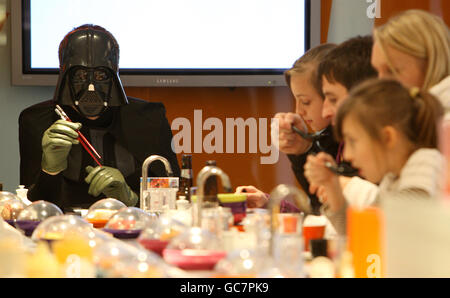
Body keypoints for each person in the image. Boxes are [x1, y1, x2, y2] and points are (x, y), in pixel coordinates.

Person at [19, 25, 180, 212]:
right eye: (79, 75)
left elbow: (170, 204)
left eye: (101, 75)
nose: (91, 88)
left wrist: (130, 198)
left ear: (114, 73)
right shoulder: (37, 120)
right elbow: (32, 209)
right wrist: (50, 170)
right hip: (63, 230)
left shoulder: (148, 119)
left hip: (132, 228)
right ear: (64, 74)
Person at [304, 79, 444, 235]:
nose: (347, 155)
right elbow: (360, 237)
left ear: (387, 138)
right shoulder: (392, 179)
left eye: (353, 141)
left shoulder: (427, 166)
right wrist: (332, 188)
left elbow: (375, 240)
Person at [235, 43, 338, 213]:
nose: (299, 111)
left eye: (305, 101)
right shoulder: (327, 141)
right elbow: (322, 214)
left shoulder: (347, 149)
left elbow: (333, 221)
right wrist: (271, 205)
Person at [371, 9, 450, 116]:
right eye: (377, 71)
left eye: (391, 71)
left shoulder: (441, 124)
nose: (380, 84)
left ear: (431, 65)